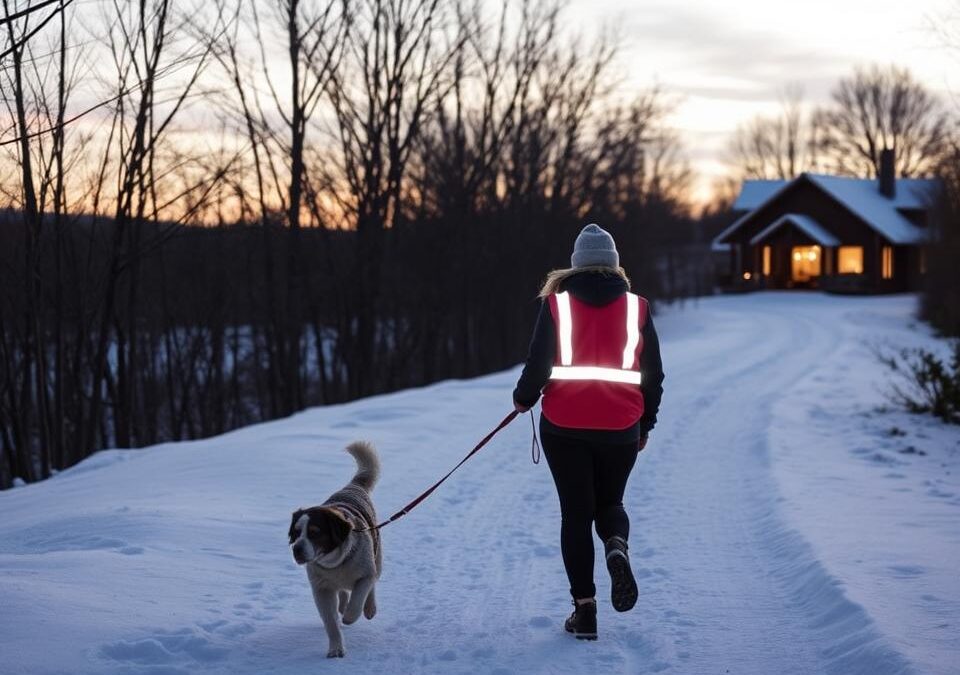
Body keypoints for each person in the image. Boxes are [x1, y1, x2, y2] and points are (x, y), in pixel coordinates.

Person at [513, 223, 664, 640]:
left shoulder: (557, 305)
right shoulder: (638, 307)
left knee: (576, 515)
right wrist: (644, 423)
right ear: (615, 266)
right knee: (610, 502)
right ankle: (616, 544)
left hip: (565, 426)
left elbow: (538, 362)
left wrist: (523, 398)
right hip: (621, 426)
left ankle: (585, 611)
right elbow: (653, 374)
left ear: (575, 265)